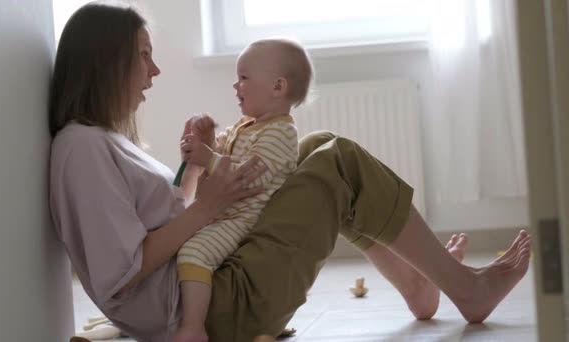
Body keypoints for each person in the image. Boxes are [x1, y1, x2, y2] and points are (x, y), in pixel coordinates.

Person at [48, 2, 531, 342]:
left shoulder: (102, 141)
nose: (154, 72)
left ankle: (416, 284)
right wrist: (210, 204)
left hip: (211, 281)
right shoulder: (81, 149)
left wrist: (199, 164)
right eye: (143, 56)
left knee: (315, 149)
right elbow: (123, 273)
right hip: (208, 308)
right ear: (106, 64)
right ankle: (465, 290)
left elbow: (170, 217)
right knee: (335, 158)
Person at [174, 38, 312, 342]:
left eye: (244, 78)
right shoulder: (245, 126)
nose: (236, 86)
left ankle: (193, 328)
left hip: (244, 219)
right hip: (224, 213)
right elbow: (220, 154)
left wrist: (208, 157)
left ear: (278, 87)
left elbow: (245, 179)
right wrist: (203, 144)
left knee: (193, 253)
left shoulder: (280, 134)